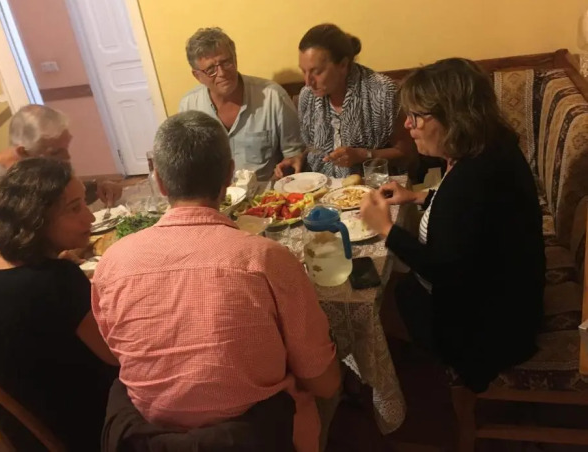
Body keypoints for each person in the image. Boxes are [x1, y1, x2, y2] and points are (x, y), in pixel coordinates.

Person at [92, 110, 340, 452]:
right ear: (229, 175)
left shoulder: (111, 264)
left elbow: (117, 351)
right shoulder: (267, 259)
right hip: (255, 439)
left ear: (159, 182)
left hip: (149, 441)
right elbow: (323, 382)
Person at [359, 58, 545, 392]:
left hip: (488, 331)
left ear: (453, 117)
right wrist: (418, 197)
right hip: (508, 298)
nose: (408, 124)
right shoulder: (491, 149)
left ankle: (385, 394)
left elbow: (442, 271)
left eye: (416, 116)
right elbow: (475, 223)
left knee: (372, 302)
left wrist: (386, 229)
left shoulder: (472, 180)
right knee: (385, 283)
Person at [0, 157, 119, 451]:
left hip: (12, 420)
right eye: (75, 208)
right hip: (68, 428)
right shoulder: (56, 281)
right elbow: (115, 354)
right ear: (36, 218)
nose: (90, 218)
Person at [0, 104, 122, 255]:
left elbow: (60, 200)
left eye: (66, 148)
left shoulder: (37, 168)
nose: (67, 158)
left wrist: (97, 187)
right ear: (23, 152)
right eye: (55, 152)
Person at [276, 23, 412, 179]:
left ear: (343, 65)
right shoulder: (307, 96)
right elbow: (315, 148)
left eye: (317, 72)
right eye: (303, 71)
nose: (308, 82)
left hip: (371, 185)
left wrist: (364, 155)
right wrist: (299, 158)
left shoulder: (382, 92)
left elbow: (407, 152)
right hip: (321, 186)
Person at [179, 27, 304, 181]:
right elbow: (189, 164)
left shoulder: (273, 96)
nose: (222, 73)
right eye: (211, 69)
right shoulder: (189, 107)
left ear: (235, 59)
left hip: (267, 192)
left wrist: (285, 171)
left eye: (226, 62)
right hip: (215, 194)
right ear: (197, 75)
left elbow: (294, 154)